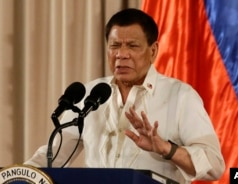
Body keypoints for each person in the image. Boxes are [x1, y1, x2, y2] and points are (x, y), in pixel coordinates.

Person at [24, 8, 225, 184]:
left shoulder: (181, 96)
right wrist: (13, 176)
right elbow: (54, 156)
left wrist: (166, 148)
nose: (121, 54)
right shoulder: (91, 94)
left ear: (153, 51)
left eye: (132, 46)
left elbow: (214, 165)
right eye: (115, 46)